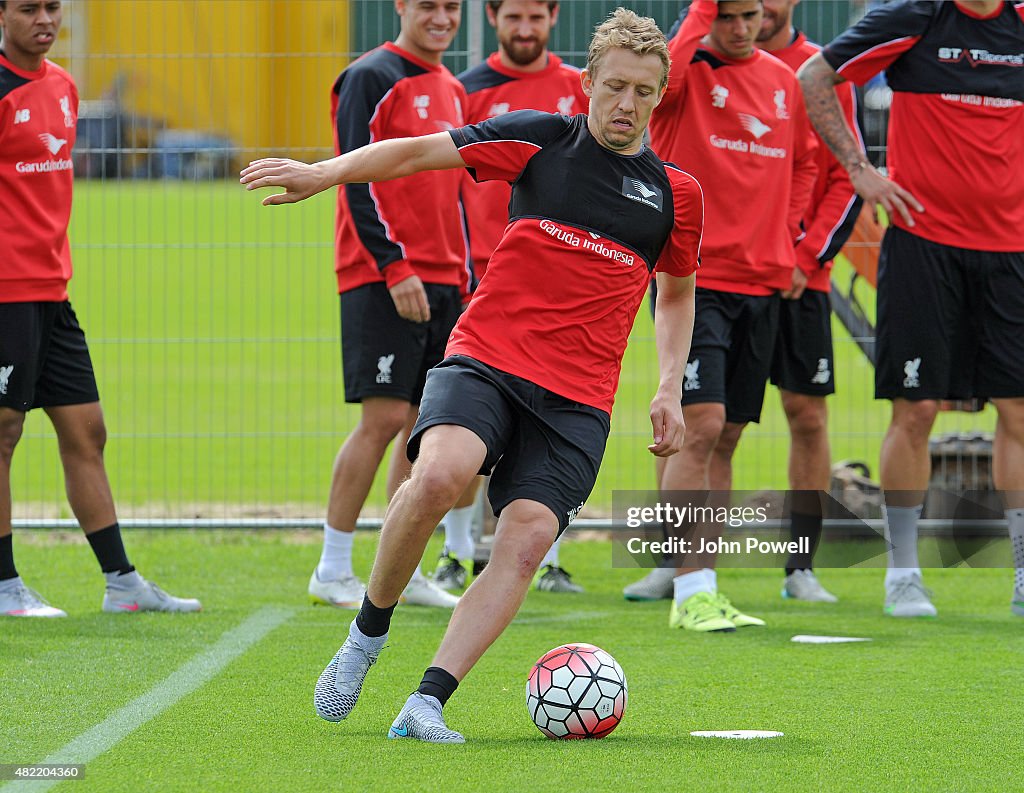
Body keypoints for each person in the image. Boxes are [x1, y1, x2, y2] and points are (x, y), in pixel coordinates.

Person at [242, 7, 702, 743]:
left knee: (522, 542)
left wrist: (668, 385)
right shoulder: (541, 139)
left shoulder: (676, 194)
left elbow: (675, 292)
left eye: (645, 92)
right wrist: (324, 172)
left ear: (660, 93)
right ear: (586, 82)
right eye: (615, 86)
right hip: (490, 355)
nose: (627, 105)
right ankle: (366, 635)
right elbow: (416, 152)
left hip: (579, 400)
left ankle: (427, 701)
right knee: (438, 475)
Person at [799, 0, 1024, 617]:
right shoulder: (915, 18)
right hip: (923, 247)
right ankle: (903, 573)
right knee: (916, 408)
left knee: (1019, 410)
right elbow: (815, 74)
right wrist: (859, 170)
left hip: (1012, 252)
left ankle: (1023, 576)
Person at [0, 0, 200, 617]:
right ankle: (5, 586)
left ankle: (121, 583)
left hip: (53, 292)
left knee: (88, 431)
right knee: (4, 433)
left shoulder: (61, 84)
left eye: (52, 7)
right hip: (5, 291)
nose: (45, 19)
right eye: (28, 8)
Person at [626, 0, 818, 631]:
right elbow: (663, 75)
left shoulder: (784, 80)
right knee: (700, 425)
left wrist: (790, 237)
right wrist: (701, 13)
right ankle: (689, 587)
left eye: (750, 15)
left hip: (761, 283)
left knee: (727, 433)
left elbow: (807, 164)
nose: (740, 28)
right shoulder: (685, 70)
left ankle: (703, 581)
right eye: (726, 14)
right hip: (695, 278)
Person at [306, 0, 469, 612]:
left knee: (420, 431)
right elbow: (351, 175)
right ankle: (332, 565)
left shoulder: (452, 86)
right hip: (384, 275)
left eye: (451, 7)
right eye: (428, 5)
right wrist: (394, 265)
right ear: (402, 7)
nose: (441, 17)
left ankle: (397, 568)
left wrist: (466, 273)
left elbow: (456, 193)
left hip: (446, 279)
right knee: (380, 419)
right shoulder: (371, 76)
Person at [430, 0, 591, 595]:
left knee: (554, 421)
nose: (525, 29)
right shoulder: (467, 90)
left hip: (561, 296)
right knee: (467, 426)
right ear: (494, 18)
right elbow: (441, 180)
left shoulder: (582, 88)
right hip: (479, 282)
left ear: (554, 17)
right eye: (513, 17)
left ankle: (548, 560)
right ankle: (456, 551)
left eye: (537, 17)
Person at [758, 0, 864, 603]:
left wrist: (806, 259)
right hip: (728, 279)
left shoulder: (821, 73)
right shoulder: (703, 64)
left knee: (808, 414)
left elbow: (845, 176)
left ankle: (801, 567)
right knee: (707, 426)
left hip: (801, 279)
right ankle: (682, 564)